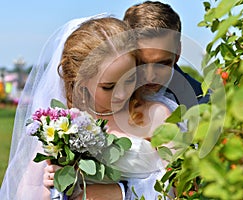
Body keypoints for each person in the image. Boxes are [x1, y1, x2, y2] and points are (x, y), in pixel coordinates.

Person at [0, 14, 175, 200]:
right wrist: (52, 188)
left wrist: (119, 193)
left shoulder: (154, 115)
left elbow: (179, 184)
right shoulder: (62, 126)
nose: (123, 94)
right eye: (108, 86)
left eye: (130, 79)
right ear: (82, 82)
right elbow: (26, 192)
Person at [123, 1, 210, 109]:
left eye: (161, 64)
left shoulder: (204, 103)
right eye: (141, 64)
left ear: (178, 52)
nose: (150, 76)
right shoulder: (105, 92)